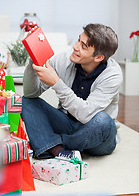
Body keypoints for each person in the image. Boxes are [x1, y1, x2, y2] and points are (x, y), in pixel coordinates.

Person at [22, 23, 123, 160]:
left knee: (103, 121)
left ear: (98, 57)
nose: (75, 47)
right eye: (78, 40)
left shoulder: (113, 75)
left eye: (83, 46)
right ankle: (58, 150)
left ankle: (50, 144)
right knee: (26, 101)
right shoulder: (64, 60)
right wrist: (32, 61)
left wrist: (56, 83)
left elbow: (85, 115)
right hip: (67, 123)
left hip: (96, 135)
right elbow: (31, 94)